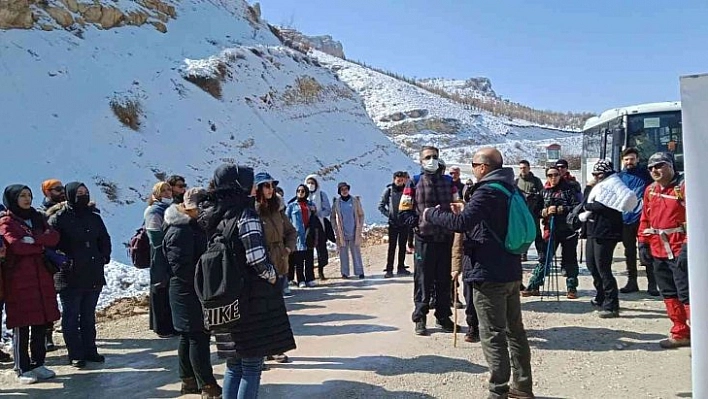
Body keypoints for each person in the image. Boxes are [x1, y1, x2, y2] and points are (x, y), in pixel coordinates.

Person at [422, 147, 534, 399]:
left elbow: (462, 224)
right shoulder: (510, 188)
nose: (473, 169)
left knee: (492, 333)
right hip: (510, 269)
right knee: (514, 330)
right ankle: (523, 386)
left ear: (483, 167)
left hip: (488, 272)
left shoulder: (487, 192)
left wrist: (432, 214)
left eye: (474, 164)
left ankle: (498, 391)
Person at [201, 164, 295, 399]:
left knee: (234, 365)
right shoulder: (246, 214)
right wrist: (273, 275)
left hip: (226, 298)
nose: (255, 187)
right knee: (252, 366)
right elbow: (256, 259)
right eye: (250, 182)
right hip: (251, 301)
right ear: (239, 186)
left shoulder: (215, 214)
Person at [162, 187, 221, 397]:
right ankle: (207, 384)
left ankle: (188, 380)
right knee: (198, 336)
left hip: (192, 288)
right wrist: (205, 280)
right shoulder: (180, 230)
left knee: (189, 337)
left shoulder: (193, 227)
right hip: (187, 290)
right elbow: (181, 267)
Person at [0, 185, 61, 384]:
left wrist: (33, 240)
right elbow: (16, 247)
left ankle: (38, 363)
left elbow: (53, 237)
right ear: (12, 199)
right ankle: (22, 367)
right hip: (19, 281)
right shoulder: (7, 221)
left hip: (41, 279)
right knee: (22, 325)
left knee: (41, 323)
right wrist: (40, 245)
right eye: (22, 196)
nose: (27, 199)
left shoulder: (37, 217)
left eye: (29, 195)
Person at [47, 182, 111, 368]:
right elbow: (51, 246)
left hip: (93, 271)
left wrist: (104, 256)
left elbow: (104, 238)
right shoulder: (59, 219)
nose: (83, 196)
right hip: (70, 274)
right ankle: (75, 353)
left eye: (86, 192)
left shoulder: (93, 217)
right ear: (70, 194)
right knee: (71, 316)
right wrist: (64, 261)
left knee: (88, 315)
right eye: (79, 193)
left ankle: (90, 350)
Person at [399, 145, 457, 336]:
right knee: (423, 279)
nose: (431, 160)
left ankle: (443, 316)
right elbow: (405, 209)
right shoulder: (414, 183)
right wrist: (415, 224)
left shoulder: (449, 182)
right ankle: (420, 317)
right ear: (421, 160)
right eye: (427, 157)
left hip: (445, 237)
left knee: (444, 279)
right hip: (424, 238)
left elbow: (458, 204)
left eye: (434, 156)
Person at [637, 152, 690, 348]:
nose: (654, 171)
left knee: (686, 293)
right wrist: (642, 242)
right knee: (668, 292)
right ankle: (680, 331)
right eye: (650, 168)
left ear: (670, 165)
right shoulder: (650, 190)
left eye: (659, 166)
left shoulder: (683, 187)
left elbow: (696, 217)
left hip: (679, 246)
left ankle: (699, 332)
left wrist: (687, 245)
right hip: (658, 248)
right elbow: (645, 218)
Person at [581, 160, 637, 318]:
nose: (595, 177)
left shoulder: (613, 184)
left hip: (606, 233)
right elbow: (588, 201)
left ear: (604, 174)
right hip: (594, 230)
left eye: (597, 174)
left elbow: (603, 205)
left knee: (603, 269)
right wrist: (588, 187)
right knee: (592, 265)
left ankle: (612, 305)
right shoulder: (600, 185)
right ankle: (601, 296)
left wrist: (589, 207)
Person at [522, 165, 580, 299]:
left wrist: (560, 209)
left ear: (560, 175)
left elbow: (576, 206)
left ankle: (571, 288)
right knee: (544, 258)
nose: (553, 178)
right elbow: (536, 210)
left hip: (568, 230)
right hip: (550, 230)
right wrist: (545, 211)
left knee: (569, 259)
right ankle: (534, 285)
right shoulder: (544, 192)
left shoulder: (568, 189)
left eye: (556, 175)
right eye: (550, 175)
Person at [617, 148, 659, 296]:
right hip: (625, 220)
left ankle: (652, 284)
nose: (629, 162)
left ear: (637, 159)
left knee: (646, 251)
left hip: (643, 219)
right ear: (623, 160)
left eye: (632, 159)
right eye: (627, 159)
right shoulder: (618, 177)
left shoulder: (646, 176)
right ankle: (632, 282)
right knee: (629, 252)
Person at [255, 172, 297, 299]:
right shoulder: (253, 212)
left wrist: (288, 249)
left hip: (281, 261)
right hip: (263, 266)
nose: (271, 189)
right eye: (267, 186)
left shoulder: (278, 209)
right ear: (258, 189)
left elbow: (291, 231)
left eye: (272, 186)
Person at [144, 182, 177, 338]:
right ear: (156, 194)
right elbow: (154, 234)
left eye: (169, 190)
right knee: (160, 287)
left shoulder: (171, 209)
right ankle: (161, 327)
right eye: (163, 191)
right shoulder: (153, 211)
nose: (167, 193)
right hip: (159, 253)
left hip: (170, 252)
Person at [37, 178, 66, 352]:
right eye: (56, 189)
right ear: (47, 192)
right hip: (49, 261)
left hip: (64, 257)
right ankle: (47, 335)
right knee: (48, 299)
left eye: (62, 188)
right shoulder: (41, 212)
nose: (61, 192)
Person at [378, 171, 413, 278]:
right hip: (393, 223)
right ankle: (389, 269)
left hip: (404, 223)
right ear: (394, 180)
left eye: (402, 180)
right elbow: (381, 206)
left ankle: (401, 267)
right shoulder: (388, 190)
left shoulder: (407, 191)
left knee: (402, 246)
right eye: (398, 180)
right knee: (392, 247)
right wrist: (389, 215)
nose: (400, 182)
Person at [331, 182, 366, 279]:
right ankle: (345, 273)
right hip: (342, 233)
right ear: (339, 191)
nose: (344, 191)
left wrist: (360, 226)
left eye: (346, 189)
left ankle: (359, 272)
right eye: (342, 189)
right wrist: (336, 228)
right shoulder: (337, 203)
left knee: (356, 252)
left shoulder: (354, 201)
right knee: (343, 253)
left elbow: (361, 214)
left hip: (354, 231)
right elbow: (332, 217)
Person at [285, 185, 318, 286]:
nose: (300, 193)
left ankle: (310, 278)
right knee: (298, 259)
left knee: (309, 257)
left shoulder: (311, 205)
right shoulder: (291, 206)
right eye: (298, 190)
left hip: (308, 234)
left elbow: (315, 219)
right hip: (297, 235)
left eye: (303, 191)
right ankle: (300, 279)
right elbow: (286, 220)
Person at [515, 160, 544, 262]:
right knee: (522, 233)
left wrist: (534, 197)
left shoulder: (536, 181)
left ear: (529, 168)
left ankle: (541, 253)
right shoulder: (516, 182)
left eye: (525, 167)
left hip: (533, 212)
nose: (523, 170)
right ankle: (523, 253)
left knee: (536, 233)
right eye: (521, 168)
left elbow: (542, 195)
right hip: (521, 213)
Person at [304, 174, 331, 280]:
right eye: (309, 183)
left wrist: (318, 213)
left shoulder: (321, 195)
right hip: (307, 225)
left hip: (319, 224)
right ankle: (310, 275)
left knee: (321, 249)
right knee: (308, 250)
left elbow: (327, 209)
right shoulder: (303, 194)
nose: (310, 185)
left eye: (312, 183)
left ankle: (321, 270)